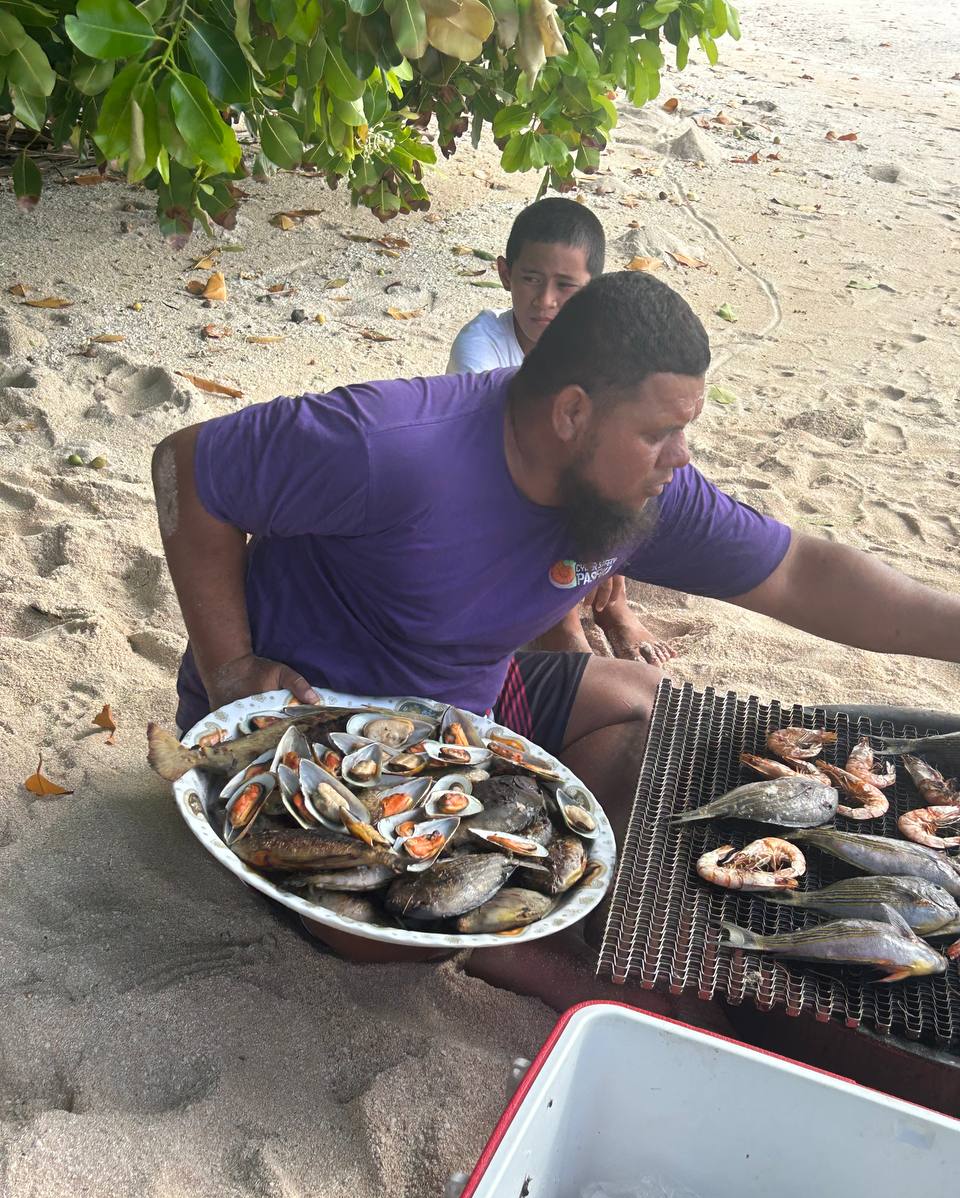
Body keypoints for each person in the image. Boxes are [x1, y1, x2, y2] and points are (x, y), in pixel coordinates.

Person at [153, 271, 960, 852]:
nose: (680, 457)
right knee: (401, 934)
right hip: (303, 733)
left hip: (460, 712)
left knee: (650, 703)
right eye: (657, 432)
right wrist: (229, 668)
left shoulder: (645, 488)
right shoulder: (389, 446)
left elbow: (801, 572)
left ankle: (535, 837)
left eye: (686, 430)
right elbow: (186, 468)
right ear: (572, 412)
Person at [447, 198, 674, 667]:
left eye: (565, 286)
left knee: (634, 459)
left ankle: (614, 607)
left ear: (593, 290)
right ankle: (565, 619)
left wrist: (604, 551)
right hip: (493, 494)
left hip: (567, 502)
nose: (545, 301)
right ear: (506, 273)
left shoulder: (607, 350)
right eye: (531, 279)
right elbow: (507, 462)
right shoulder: (481, 347)